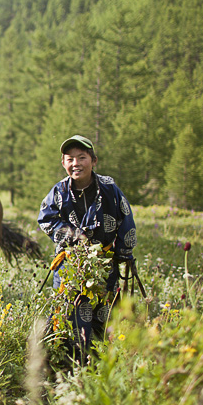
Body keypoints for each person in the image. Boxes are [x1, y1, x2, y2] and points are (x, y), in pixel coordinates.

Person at [37, 134, 137, 364]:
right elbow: (45, 219)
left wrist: (124, 253)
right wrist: (73, 236)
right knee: (67, 315)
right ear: (63, 163)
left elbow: (126, 221)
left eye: (82, 157)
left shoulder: (110, 189)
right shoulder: (59, 192)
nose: (76, 163)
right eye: (70, 159)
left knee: (103, 315)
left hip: (104, 264)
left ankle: (98, 364)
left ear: (94, 160)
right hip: (69, 266)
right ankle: (65, 366)